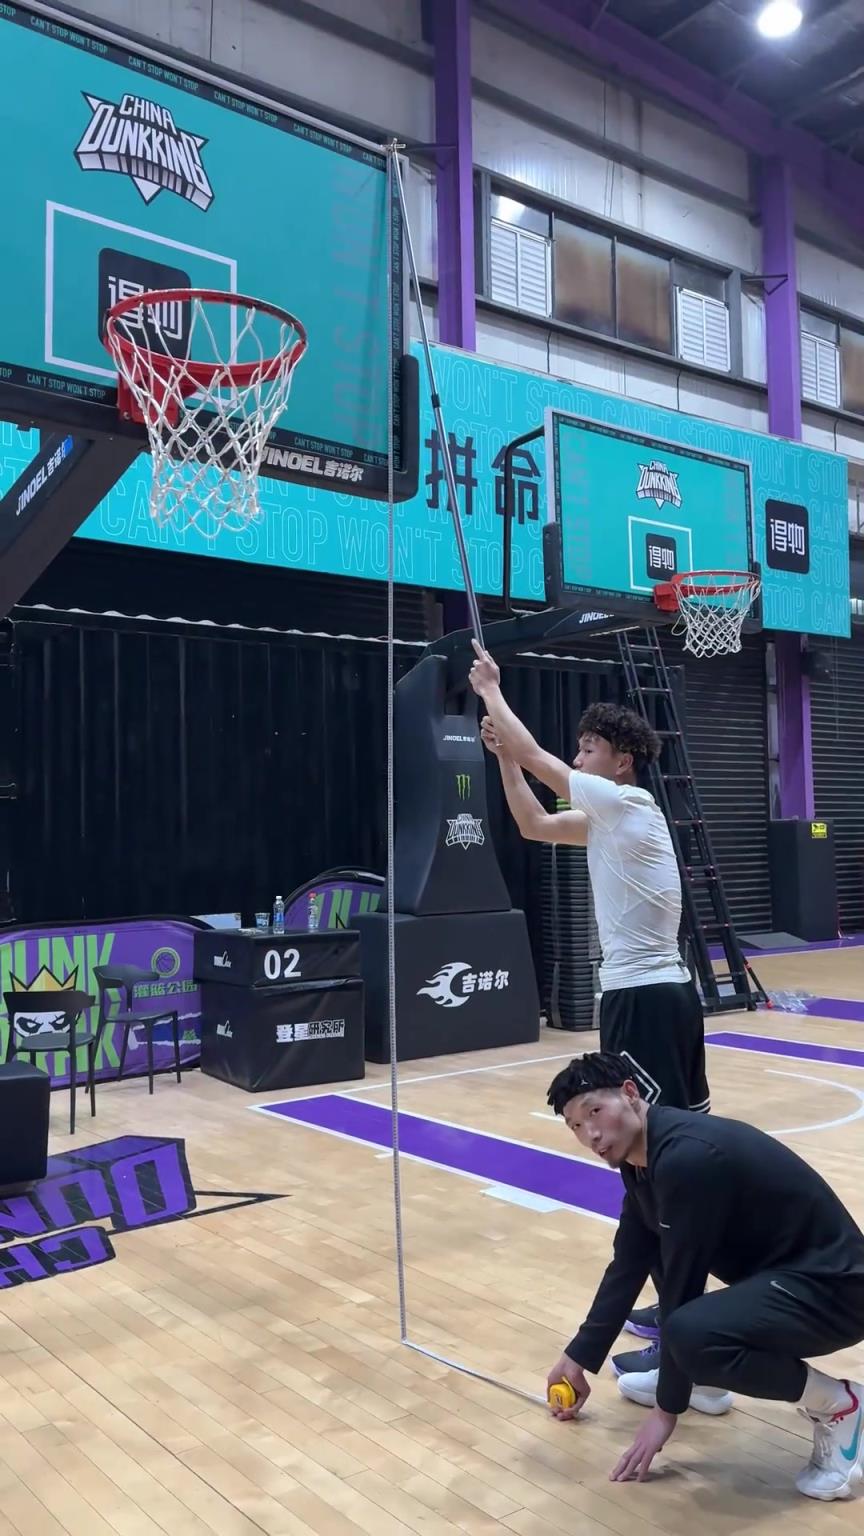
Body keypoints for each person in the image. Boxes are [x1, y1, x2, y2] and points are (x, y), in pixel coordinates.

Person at [468, 641, 707, 1354]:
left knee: (653, 1156)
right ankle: (681, 1309)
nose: (579, 757)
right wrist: (505, 758)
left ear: (621, 761)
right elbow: (533, 824)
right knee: (659, 1155)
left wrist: (492, 689)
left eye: (590, 748)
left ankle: (690, 1330)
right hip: (657, 996)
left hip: (646, 999)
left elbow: (541, 759)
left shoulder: (626, 800)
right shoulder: (611, 818)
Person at [543, 1052, 864, 1500]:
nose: (590, 1134)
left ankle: (841, 1405)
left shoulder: (687, 1158)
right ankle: (704, 1381)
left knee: (689, 1330)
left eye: (595, 1111)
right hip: (788, 1281)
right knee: (656, 1253)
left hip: (836, 1293)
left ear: (631, 1093)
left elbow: (684, 1286)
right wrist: (577, 1356)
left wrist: (666, 1410)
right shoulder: (643, 1159)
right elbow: (628, 1261)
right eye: (576, 1125)